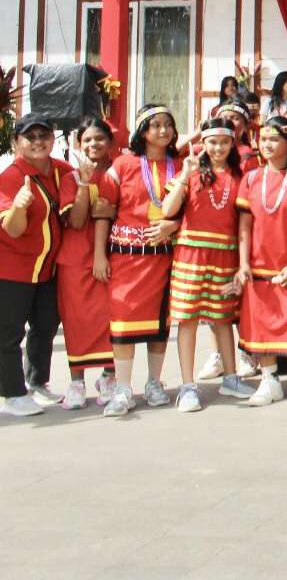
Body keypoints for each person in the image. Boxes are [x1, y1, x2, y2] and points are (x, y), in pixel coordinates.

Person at [159, 118, 250, 412]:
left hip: (225, 255)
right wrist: (185, 175)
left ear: (232, 144)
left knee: (223, 319)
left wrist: (240, 265)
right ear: (203, 144)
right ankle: (187, 386)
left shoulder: (240, 176)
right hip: (191, 254)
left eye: (224, 142)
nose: (218, 148)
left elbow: (243, 223)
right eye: (212, 142)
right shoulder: (193, 173)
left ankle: (231, 377)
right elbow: (168, 209)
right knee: (187, 320)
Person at [101, 104, 183, 417]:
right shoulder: (123, 164)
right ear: (142, 131)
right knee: (123, 322)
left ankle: (154, 382)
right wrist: (99, 253)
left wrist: (173, 225)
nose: (163, 131)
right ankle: (123, 389)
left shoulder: (180, 165)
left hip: (163, 257)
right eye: (155, 125)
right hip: (126, 256)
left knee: (160, 323)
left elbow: (193, 210)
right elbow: (104, 210)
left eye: (168, 125)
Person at [236, 115, 287, 408]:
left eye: (274, 139)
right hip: (258, 263)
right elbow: (244, 225)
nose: (266, 144)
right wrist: (244, 263)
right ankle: (269, 379)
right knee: (261, 324)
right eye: (263, 138)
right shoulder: (251, 178)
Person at [0, 114, 77, 417]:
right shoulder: (10, 177)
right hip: (12, 269)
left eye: (43, 135)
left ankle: (37, 382)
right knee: (9, 333)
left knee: (45, 326)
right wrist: (18, 206)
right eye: (29, 137)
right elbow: (13, 230)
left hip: (48, 268)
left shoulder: (61, 170)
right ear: (16, 142)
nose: (37, 142)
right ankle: (12, 393)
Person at [56, 118, 118, 409]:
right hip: (76, 260)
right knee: (77, 321)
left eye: (99, 139)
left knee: (111, 320)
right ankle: (76, 382)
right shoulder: (70, 178)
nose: (94, 145)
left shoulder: (119, 173)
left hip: (114, 257)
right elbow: (77, 221)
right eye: (88, 140)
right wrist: (83, 183)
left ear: (111, 142)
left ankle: (109, 377)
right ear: (78, 145)